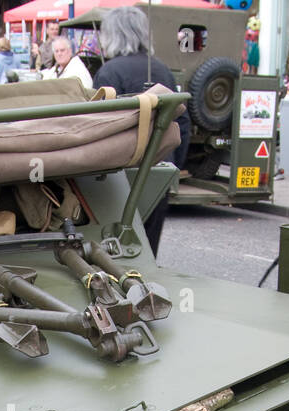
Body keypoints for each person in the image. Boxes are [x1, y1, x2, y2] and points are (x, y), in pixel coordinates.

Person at [93, 5, 192, 255]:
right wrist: (172, 166)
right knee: (148, 252)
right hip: (158, 170)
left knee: (113, 253)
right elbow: (183, 124)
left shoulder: (109, 72)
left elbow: (97, 126)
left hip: (119, 176)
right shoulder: (162, 70)